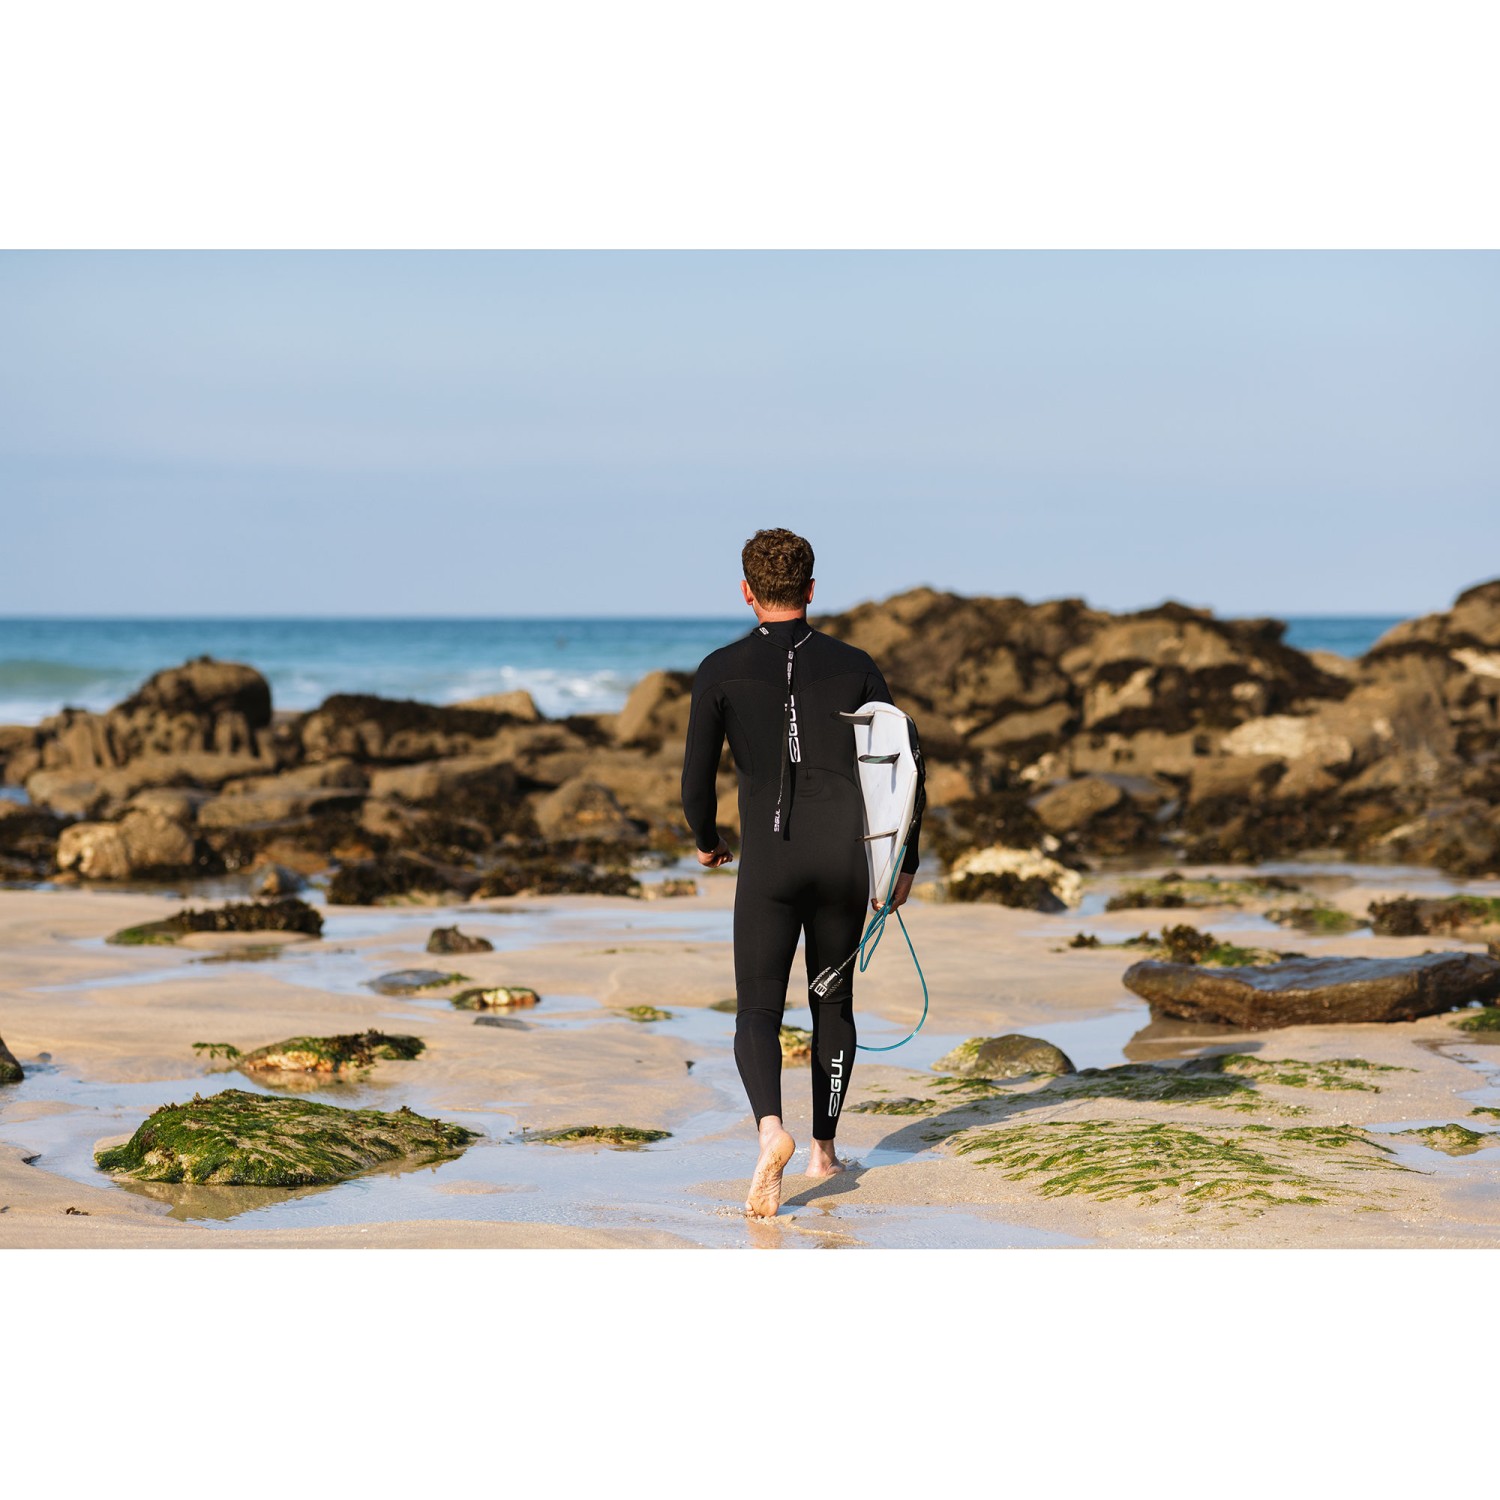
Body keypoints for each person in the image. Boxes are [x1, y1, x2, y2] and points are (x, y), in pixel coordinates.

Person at [680, 528, 925, 1218]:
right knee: (833, 1006)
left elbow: (695, 783)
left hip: (770, 861)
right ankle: (823, 1151)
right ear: (811, 589)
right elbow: (906, 768)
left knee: (757, 1009)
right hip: (843, 862)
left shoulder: (720, 670)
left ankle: (770, 1131)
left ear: (746, 591)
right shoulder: (856, 665)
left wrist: (707, 841)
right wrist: (903, 861)